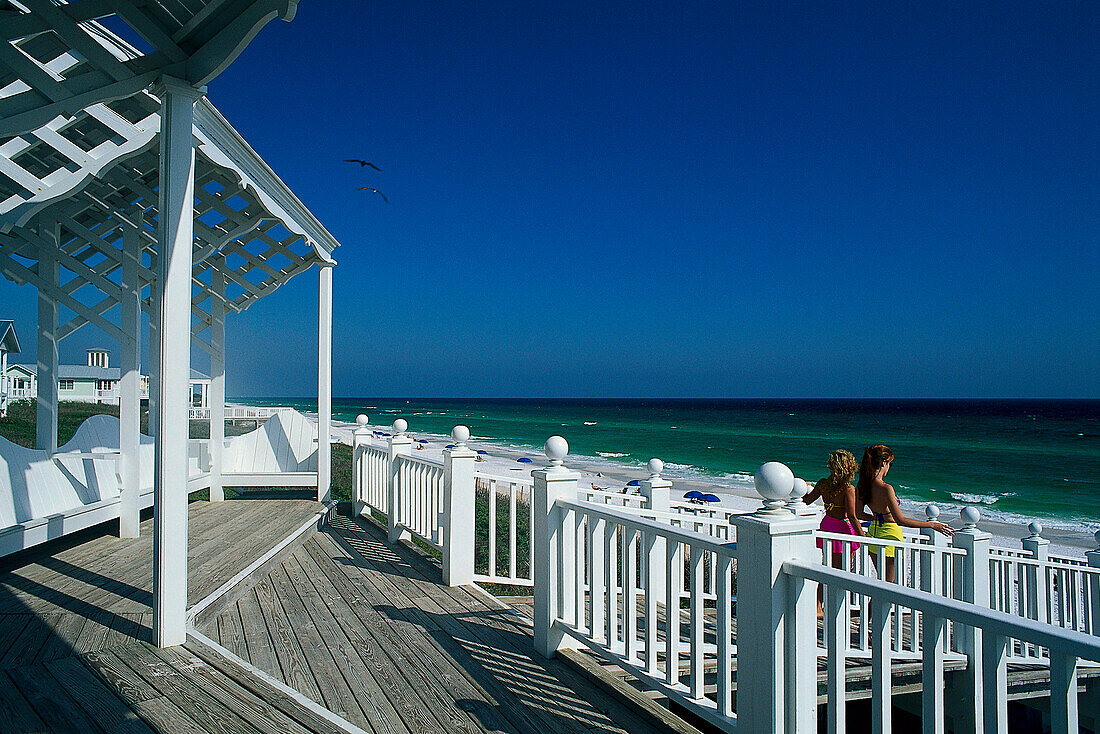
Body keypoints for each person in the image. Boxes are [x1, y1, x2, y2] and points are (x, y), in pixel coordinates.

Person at [857, 445, 953, 583]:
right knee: (888, 583)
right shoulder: (886, 488)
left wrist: (877, 518)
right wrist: (932, 524)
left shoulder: (862, 484)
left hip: (874, 533)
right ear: (884, 463)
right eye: (889, 463)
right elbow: (900, 520)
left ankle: (873, 605)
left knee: (881, 581)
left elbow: (859, 513)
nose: (889, 467)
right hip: (890, 535)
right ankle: (875, 605)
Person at [802, 449, 865, 616]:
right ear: (849, 467)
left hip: (827, 524)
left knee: (826, 567)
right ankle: (838, 605)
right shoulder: (848, 488)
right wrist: (862, 536)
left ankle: (818, 605)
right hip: (842, 528)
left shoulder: (823, 483)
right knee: (843, 570)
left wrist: (803, 488)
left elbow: (806, 501)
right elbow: (852, 516)